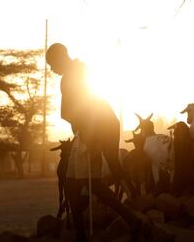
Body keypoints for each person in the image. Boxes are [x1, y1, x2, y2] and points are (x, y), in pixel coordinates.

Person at [46, 43, 148, 241]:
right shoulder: (77, 72)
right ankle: (85, 234)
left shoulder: (72, 76)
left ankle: (132, 221)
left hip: (93, 130)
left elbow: (75, 110)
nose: (52, 69)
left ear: (60, 58)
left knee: (88, 183)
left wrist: (93, 139)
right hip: (92, 129)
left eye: (52, 64)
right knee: (72, 183)